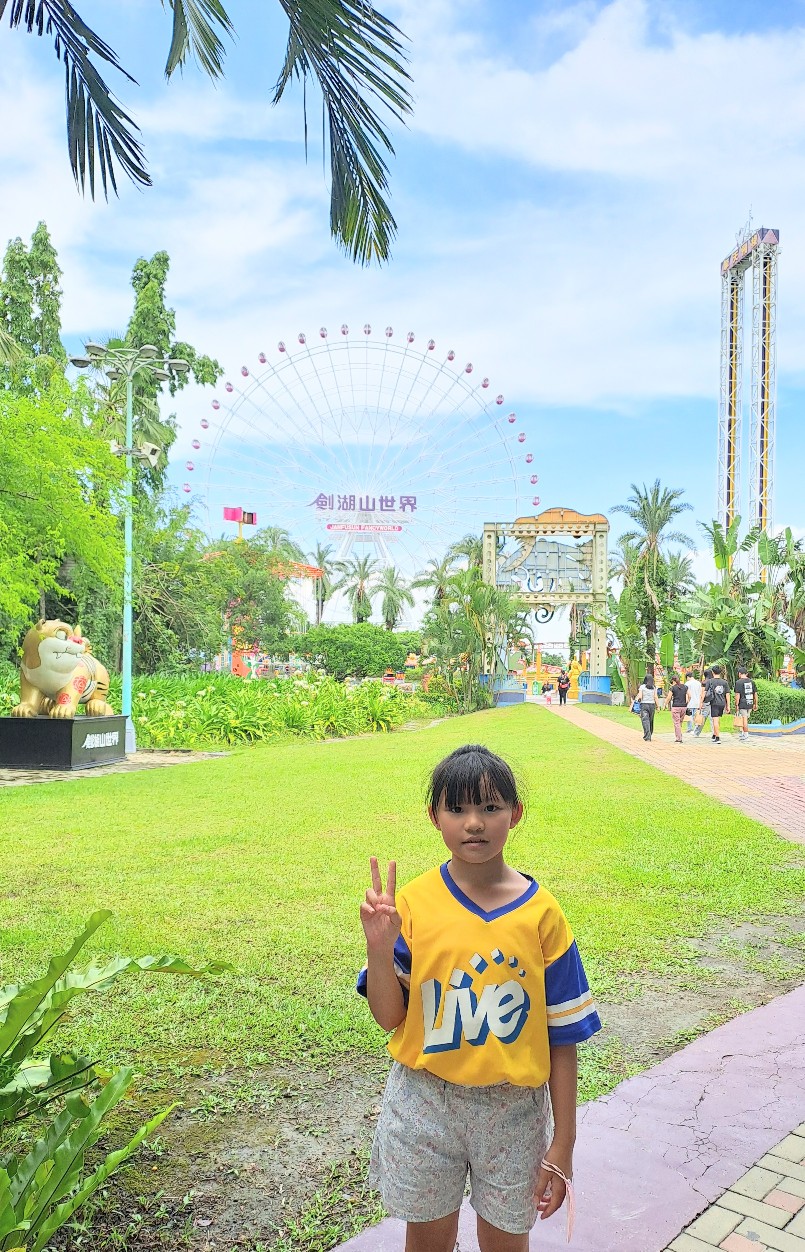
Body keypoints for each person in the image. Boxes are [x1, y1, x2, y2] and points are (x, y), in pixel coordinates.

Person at [358, 744, 601, 1251]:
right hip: (424, 1101)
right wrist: (379, 950)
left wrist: (564, 1143)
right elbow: (389, 1017)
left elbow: (563, 1038)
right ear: (434, 816)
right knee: (427, 1240)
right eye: (458, 808)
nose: (474, 823)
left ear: (515, 814)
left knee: (507, 1241)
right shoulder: (412, 904)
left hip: (514, 1111)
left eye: (490, 807)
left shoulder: (542, 914)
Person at [734, 665, 758, 742]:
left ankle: (746, 735)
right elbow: (755, 694)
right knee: (745, 718)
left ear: (739, 674)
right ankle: (743, 733)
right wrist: (756, 703)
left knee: (744, 719)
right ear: (746, 674)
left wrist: (736, 704)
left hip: (742, 703)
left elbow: (737, 695)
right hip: (750, 702)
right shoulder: (752, 682)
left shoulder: (738, 682)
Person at [708, 665, 730, 744]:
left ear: (712, 672)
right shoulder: (724, 682)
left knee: (715, 720)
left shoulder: (710, 681)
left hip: (714, 703)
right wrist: (728, 706)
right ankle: (715, 734)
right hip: (722, 703)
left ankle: (717, 737)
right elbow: (727, 694)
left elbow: (705, 692)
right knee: (717, 719)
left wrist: (701, 702)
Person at [665, 673, 689, 743]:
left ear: (673, 681)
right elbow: (689, 695)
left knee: (676, 723)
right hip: (683, 707)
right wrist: (687, 702)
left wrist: (665, 704)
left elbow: (669, 697)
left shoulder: (672, 688)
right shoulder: (685, 687)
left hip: (676, 707)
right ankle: (679, 735)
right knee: (680, 722)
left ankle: (679, 738)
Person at [637, 673, 657, 741]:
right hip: (652, 705)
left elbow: (640, 696)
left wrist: (638, 700)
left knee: (645, 720)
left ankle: (647, 736)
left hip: (644, 705)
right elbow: (655, 697)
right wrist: (658, 706)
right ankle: (650, 733)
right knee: (651, 720)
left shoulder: (642, 687)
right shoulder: (654, 687)